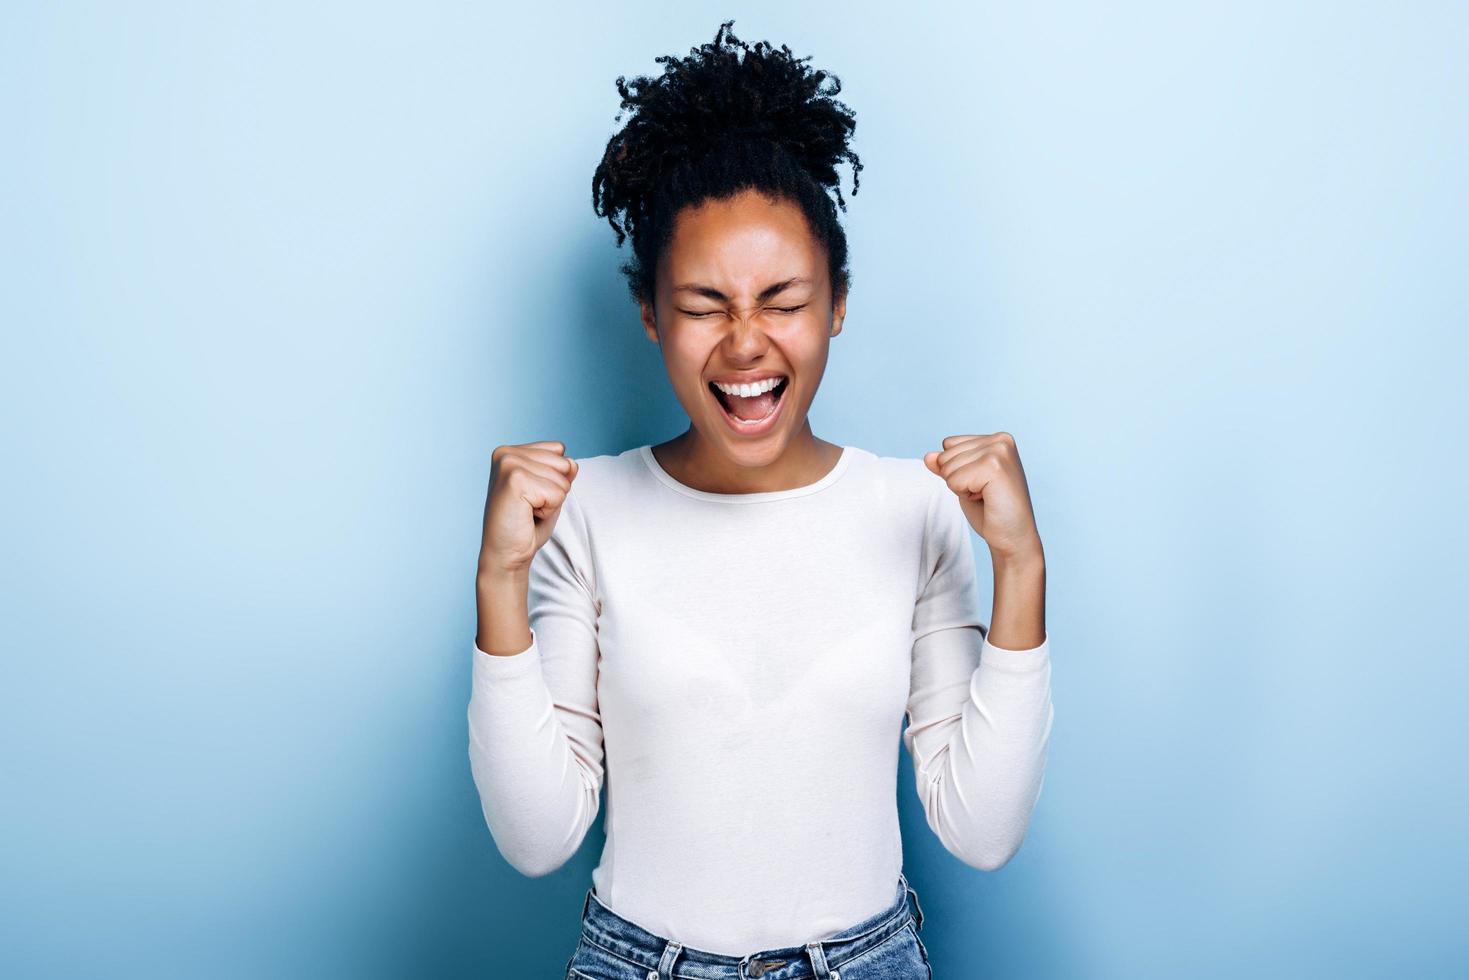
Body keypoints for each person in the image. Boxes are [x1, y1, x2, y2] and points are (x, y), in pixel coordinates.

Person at [469, 21, 1053, 980]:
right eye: (703, 306)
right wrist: (498, 580)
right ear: (651, 315)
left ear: (837, 304)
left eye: (782, 300)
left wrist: (1020, 566)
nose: (745, 344)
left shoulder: (915, 510)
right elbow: (537, 841)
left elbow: (979, 831)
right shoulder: (585, 513)